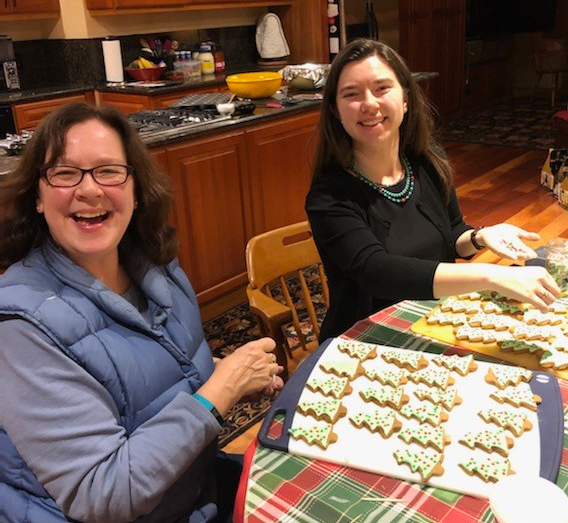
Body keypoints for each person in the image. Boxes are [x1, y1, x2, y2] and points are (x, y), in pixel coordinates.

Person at [0, 102, 283, 523]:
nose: (89, 189)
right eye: (65, 173)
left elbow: (152, 379)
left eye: (108, 170)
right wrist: (221, 390)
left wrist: (230, 375)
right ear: (37, 198)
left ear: (135, 190)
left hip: (192, 491)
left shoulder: (156, 267)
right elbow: (103, 493)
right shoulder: (21, 325)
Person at [305, 38, 561, 341]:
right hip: (364, 340)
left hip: (434, 322)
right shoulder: (329, 196)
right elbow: (376, 272)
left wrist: (479, 237)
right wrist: (492, 275)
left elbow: (452, 234)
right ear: (335, 110)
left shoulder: (427, 162)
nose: (369, 104)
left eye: (382, 88)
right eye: (351, 94)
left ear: (405, 99)